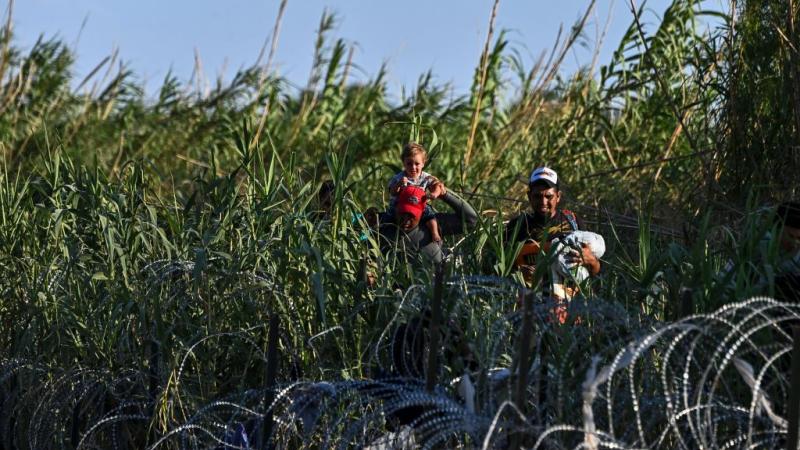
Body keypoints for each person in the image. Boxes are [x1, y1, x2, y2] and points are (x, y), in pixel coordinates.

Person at [504, 166, 601, 321]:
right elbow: (499, 268)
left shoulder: (573, 223)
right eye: (537, 196)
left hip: (569, 313)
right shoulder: (517, 226)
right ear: (529, 196)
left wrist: (591, 260)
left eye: (548, 196)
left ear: (558, 196)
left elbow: (596, 272)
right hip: (529, 312)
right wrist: (518, 274)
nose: (543, 202)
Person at [378, 179, 477, 266]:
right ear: (395, 208)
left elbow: (471, 220)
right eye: (402, 213)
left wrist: (444, 194)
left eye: (412, 215)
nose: (406, 219)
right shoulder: (382, 224)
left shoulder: (433, 225)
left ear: (423, 213)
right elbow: (362, 236)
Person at [387, 143, 442, 243]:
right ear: (403, 163)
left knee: (430, 216)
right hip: (401, 204)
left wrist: (435, 194)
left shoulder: (426, 177)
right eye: (409, 164)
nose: (413, 167)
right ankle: (384, 233)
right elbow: (392, 192)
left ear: (423, 163)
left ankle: (435, 233)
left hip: (419, 205)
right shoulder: (399, 177)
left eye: (417, 164)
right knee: (389, 216)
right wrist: (399, 185)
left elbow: (437, 185)